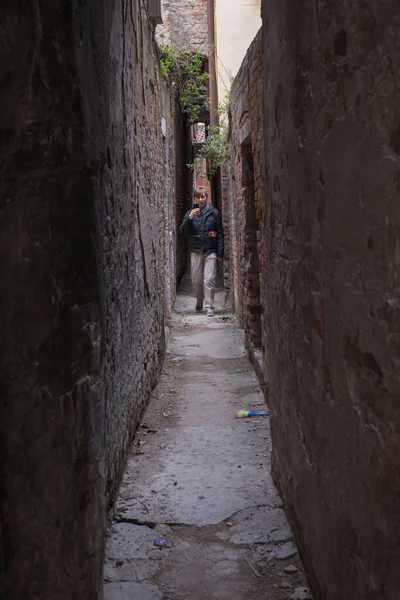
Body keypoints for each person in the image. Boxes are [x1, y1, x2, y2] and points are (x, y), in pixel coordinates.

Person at [180, 189, 224, 317]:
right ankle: (199, 300)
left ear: (206, 197)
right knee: (196, 280)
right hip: (196, 251)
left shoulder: (214, 213)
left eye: (203, 197)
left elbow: (220, 233)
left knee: (209, 279)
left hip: (210, 252)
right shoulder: (190, 214)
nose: (201, 200)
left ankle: (209, 306)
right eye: (198, 197)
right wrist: (189, 218)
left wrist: (220, 253)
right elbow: (183, 231)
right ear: (195, 199)